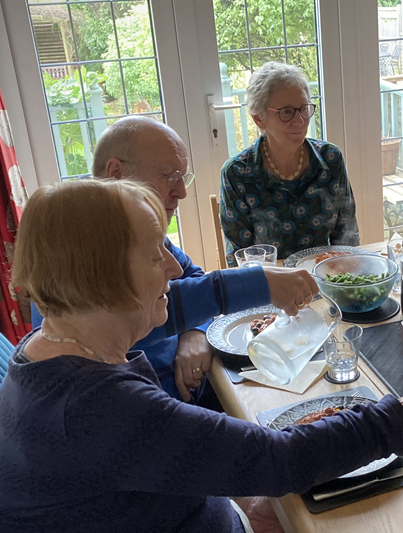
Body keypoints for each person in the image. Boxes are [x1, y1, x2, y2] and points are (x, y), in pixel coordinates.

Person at [0, 179, 403, 533]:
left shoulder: (57, 348)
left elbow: (164, 463)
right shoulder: (91, 408)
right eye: (155, 255)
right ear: (100, 276)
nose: (174, 269)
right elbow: (280, 458)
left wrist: (241, 502)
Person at [30, 116, 315, 406]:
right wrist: (258, 283)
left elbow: (191, 275)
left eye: (183, 177)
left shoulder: (131, 221)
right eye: (169, 176)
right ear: (116, 172)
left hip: (190, 388)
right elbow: (127, 304)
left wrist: (194, 331)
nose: (181, 192)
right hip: (151, 404)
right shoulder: (76, 241)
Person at [220, 62, 359, 265]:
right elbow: (240, 260)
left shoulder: (331, 159)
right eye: (286, 112)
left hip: (326, 278)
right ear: (259, 119)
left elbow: (348, 238)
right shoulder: (238, 173)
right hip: (271, 286)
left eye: (304, 109)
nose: (300, 121)